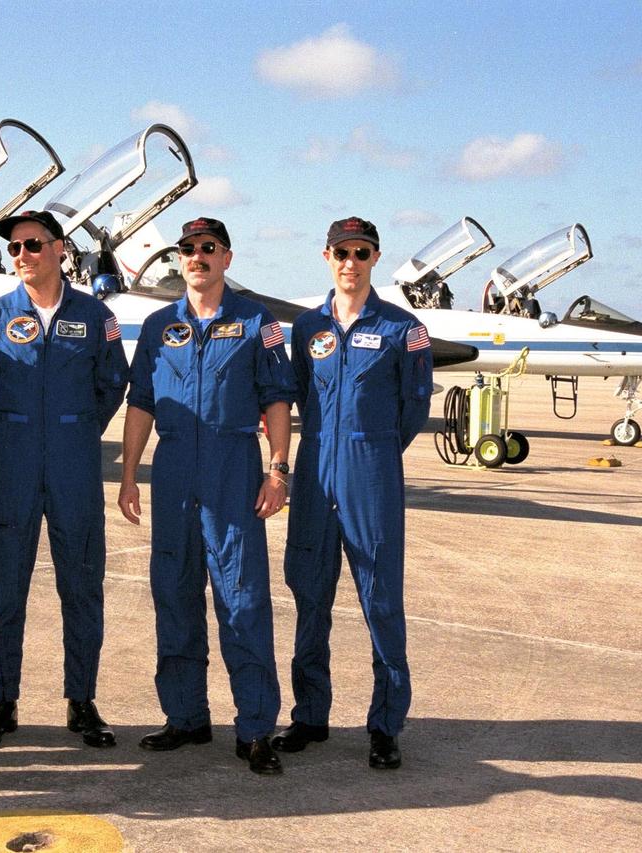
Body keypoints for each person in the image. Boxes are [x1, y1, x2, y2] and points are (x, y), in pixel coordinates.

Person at [118, 217, 294, 776]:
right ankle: (186, 718)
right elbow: (141, 402)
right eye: (188, 249)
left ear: (227, 257)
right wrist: (127, 475)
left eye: (208, 248)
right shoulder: (156, 326)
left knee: (242, 598)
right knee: (173, 593)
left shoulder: (256, 323)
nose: (197, 257)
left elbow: (276, 401)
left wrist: (278, 471)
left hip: (232, 466)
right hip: (172, 472)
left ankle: (255, 728)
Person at [271, 217, 433, 770]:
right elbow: (293, 396)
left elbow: (413, 410)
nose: (351, 262)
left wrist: (373, 452)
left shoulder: (402, 329)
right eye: (342, 252)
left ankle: (386, 725)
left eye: (361, 253)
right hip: (316, 474)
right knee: (309, 599)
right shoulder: (306, 328)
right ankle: (310, 716)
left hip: (371, 475)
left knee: (381, 602)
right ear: (326, 256)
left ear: (375, 258)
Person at [0, 210, 128, 749]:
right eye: (13, 248)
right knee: (4, 589)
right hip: (12, 467)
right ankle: (2, 702)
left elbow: (112, 384)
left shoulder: (95, 317)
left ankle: (82, 702)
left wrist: (75, 432)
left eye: (32, 245)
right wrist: (17, 435)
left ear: (59, 249)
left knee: (81, 586)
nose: (21, 256)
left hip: (74, 467)